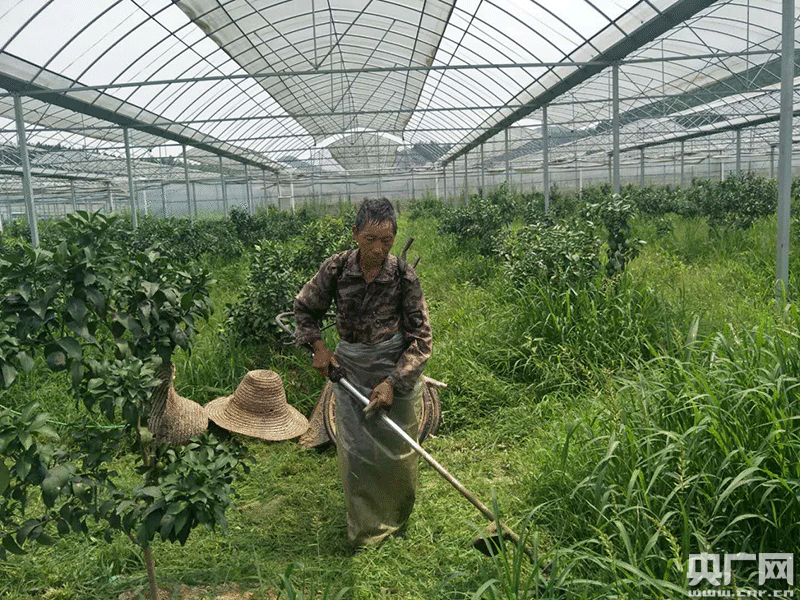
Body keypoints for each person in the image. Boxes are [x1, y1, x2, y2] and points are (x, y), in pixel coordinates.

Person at [293, 197, 433, 551]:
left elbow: (421, 338)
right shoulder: (336, 269)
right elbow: (305, 308)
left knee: (399, 449)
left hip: (394, 367)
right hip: (350, 369)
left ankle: (397, 520)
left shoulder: (403, 276)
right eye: (370, 239)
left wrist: (392, 382)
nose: (378, 249)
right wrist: (319, 348)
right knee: (356, 450)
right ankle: (366, 530)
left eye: (386, 240)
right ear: (355, 233)